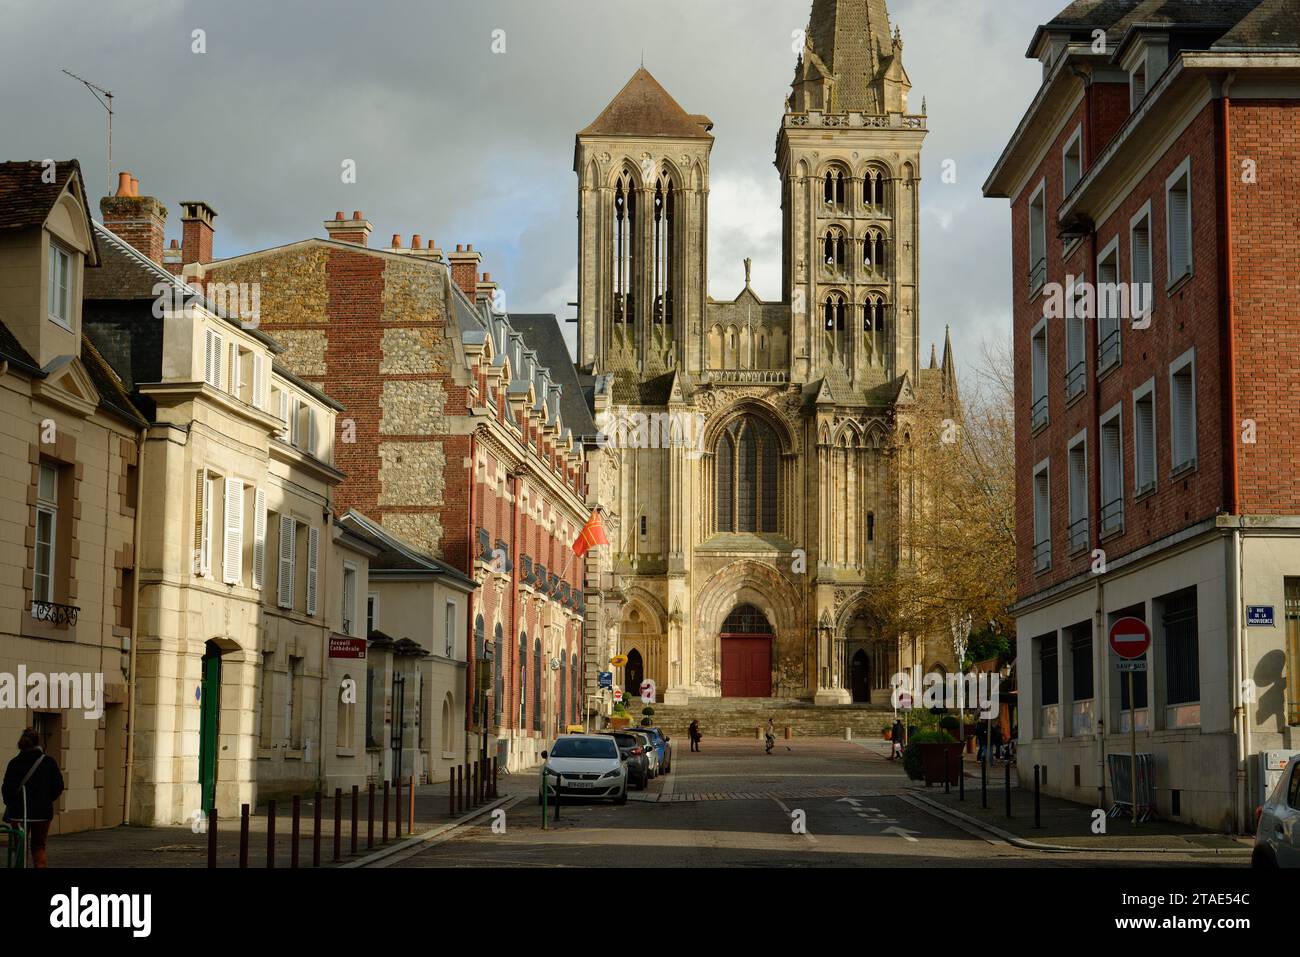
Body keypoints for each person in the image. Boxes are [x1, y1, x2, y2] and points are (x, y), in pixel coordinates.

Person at [3, 728, 65, 868]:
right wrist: (46, 800)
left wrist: (11, 803)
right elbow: (58, 786)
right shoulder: (49, 762)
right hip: (42, 813)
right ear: (38, 743)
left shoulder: (14, 763)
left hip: (19, 813)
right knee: (38, 847)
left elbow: (7, 789)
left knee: (20, 848)